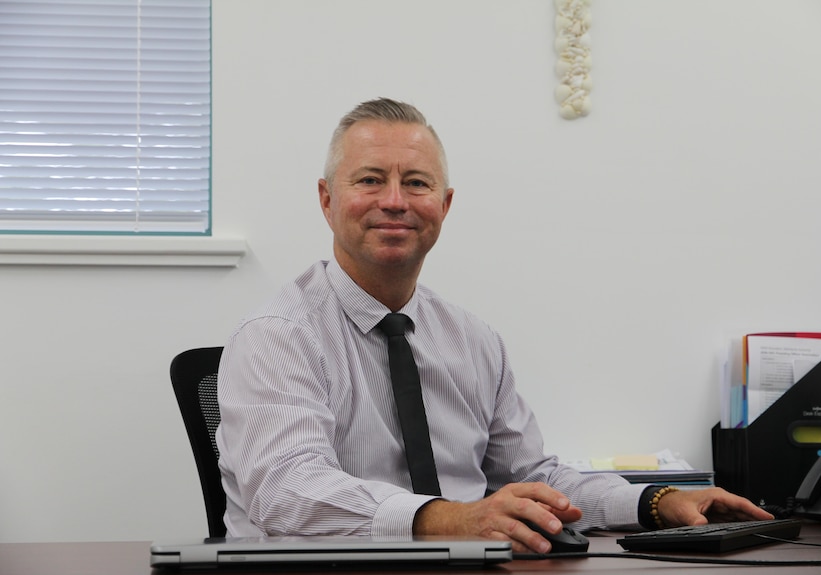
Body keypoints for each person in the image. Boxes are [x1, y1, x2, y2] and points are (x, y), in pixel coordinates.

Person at [216, 97, 773, 554]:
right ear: (326, 199)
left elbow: (533, 476)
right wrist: (452, 520)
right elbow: (289, 494)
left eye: (416, 183)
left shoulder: (472, 340)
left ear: (445, 205)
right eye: (369, 180)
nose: (394, 201)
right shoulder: (277, 334)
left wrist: (654, 502)